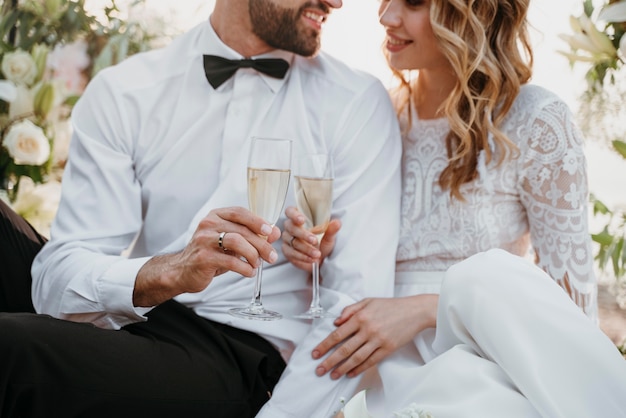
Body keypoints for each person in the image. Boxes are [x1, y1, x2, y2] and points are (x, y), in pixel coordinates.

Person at [0, 0, 403, 417]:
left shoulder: (355, 102)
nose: (336, 2)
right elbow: (56, 279)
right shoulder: (127, 89)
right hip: (138, 317)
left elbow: (355, 306)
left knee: (9, 348)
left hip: (239, 356)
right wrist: (166, 271)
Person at [282, 0, 626, 416]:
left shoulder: (536, 121)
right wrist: (316, 251)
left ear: (471, 14)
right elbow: (354, 266)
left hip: (484, 364)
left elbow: (570, 317)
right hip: (367, 365)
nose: (386, 16)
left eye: (411, 3)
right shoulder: (376, 116)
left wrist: (429, 309)